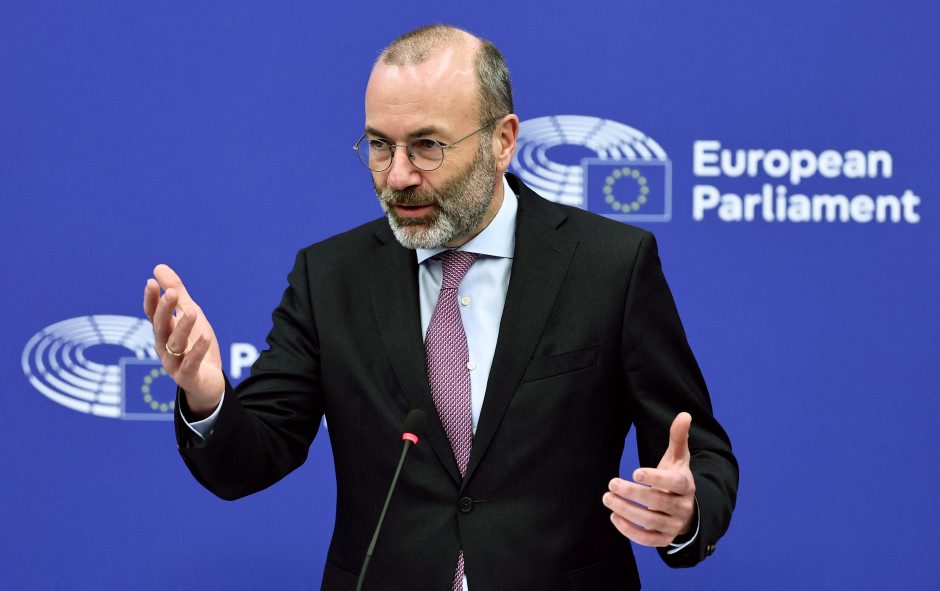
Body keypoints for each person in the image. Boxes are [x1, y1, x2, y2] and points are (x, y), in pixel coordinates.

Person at [144, 24, 737, 591]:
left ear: (502, 141)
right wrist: (206, 396)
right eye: (380, 146)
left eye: (427, 146)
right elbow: (250, 460)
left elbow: (700, 453)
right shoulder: (329, 277)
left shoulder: (610, 266)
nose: (397, 176)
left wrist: (685, 512)